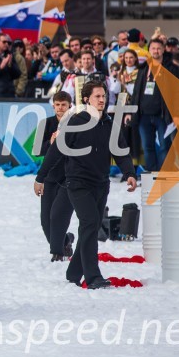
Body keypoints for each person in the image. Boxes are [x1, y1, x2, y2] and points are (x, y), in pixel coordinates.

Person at [35, 81, 137, 289]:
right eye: (97, 96)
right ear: (86, 99)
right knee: (90, 223)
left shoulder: (109, 123)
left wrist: (129, 173)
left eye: (103, 96)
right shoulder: (75, 122)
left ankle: (73, 272)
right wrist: (41, 177)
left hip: (101, 184)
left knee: (90, 227)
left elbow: (121, 151)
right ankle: (93, 277)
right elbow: (56, 151)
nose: (102, 100)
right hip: (77, 183)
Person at [34, 91, 75, 262]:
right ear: (53, 106)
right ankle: (65, 241)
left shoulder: (75, 125)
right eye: (57, 105)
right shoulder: (46, 123)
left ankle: (57, 252)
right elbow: (37, 150)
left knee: (58, 216)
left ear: (69, 106)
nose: (60, 108)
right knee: (45, 221)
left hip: (68, 176)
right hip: (50, 176)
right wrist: (50, 144)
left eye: (63, 105)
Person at [127, 39, 172, 173]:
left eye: (158, 48)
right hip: (144, 115)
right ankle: (152, 173)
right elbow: (136, 93)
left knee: (165, 146)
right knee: (147, 146)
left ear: (163, 50)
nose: (156, 51)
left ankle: (162, 173)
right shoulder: (143, 69)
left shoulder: (169, 68)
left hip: (162, 115)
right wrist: (131, 111)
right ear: (149, 50)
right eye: (153, 48)